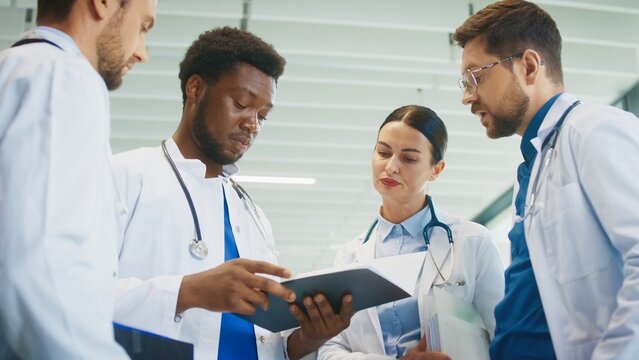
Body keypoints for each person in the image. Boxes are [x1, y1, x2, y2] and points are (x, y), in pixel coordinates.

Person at [111, 26, 352, 360]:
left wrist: (308, 339)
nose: (252, 124)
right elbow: (72, 295)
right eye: (241, 104)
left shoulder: (251, 214)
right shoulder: (124, 176)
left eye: (263, 115)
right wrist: (187, 291)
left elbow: (269, 343)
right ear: (195, 88)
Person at [453, 1, 639, 359]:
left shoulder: (594, 130)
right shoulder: (532, 167)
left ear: (529, 66)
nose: (467, 97)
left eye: (476, 77)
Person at [0, 0, 157, 358]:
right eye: (143, 26)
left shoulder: (16, 70)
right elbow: (39, 270)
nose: (142, 53)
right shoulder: (61, 77)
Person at [318, 105, 504, 359]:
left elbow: (503, 337)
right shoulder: (349, 256)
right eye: (383, 152)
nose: (391, 167)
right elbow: (330, 349)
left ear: (436, 170)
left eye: (408, 158)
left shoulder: (472, 242)